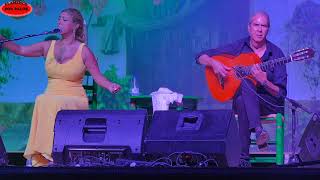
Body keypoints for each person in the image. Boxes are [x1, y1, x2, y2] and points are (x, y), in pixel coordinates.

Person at [0, 8, 121, 167]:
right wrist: (2, 39)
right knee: (43, 99)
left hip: (74, 97)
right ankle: (44, 156)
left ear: (76, 25)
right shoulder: (48, 46)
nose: (59, 22)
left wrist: (110, 85)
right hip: (51, 93)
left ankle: (55, 155)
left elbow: (98, 76)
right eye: (59, 19)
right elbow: (21, 49)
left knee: (52, 102)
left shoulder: (84, 51)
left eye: (64, 19)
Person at [196, 11, 287, 167]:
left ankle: (244, 158)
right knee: (242, 94)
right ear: (249, 28)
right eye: (256, 25)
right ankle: (258, 131)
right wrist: (214, 64)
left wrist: (264, 82)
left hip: (268, 102)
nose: (259, 29)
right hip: (246, 102)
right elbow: (200, 57)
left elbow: (281, 94)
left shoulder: (276, 54)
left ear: (268, 29)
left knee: (242, 93)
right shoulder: (239, 47)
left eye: (263, 26)